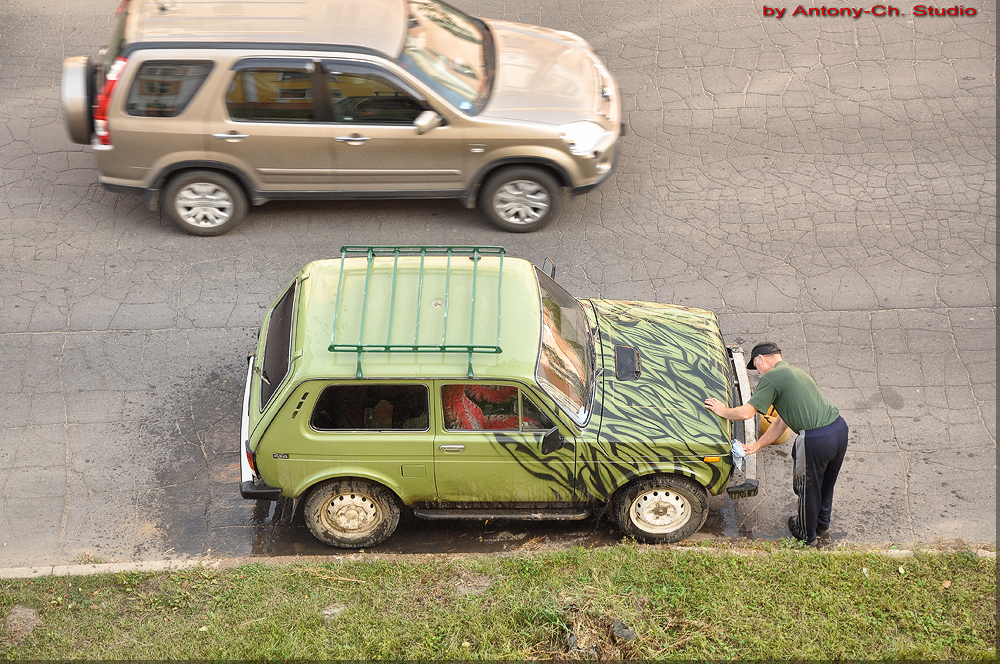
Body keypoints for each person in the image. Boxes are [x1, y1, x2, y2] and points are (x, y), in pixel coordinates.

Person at [704, 342, 848, 545]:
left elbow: (746, 412)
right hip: (839, 429)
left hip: (816, 439)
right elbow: (781, 421)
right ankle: (822, 523)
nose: (759, 374)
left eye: (757, 367)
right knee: (826, 482)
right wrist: (757, 445)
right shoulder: (793, 372)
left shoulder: (772, 377)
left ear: (761, 359)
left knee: (808, 487)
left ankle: (806, 534)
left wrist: (723, 411)